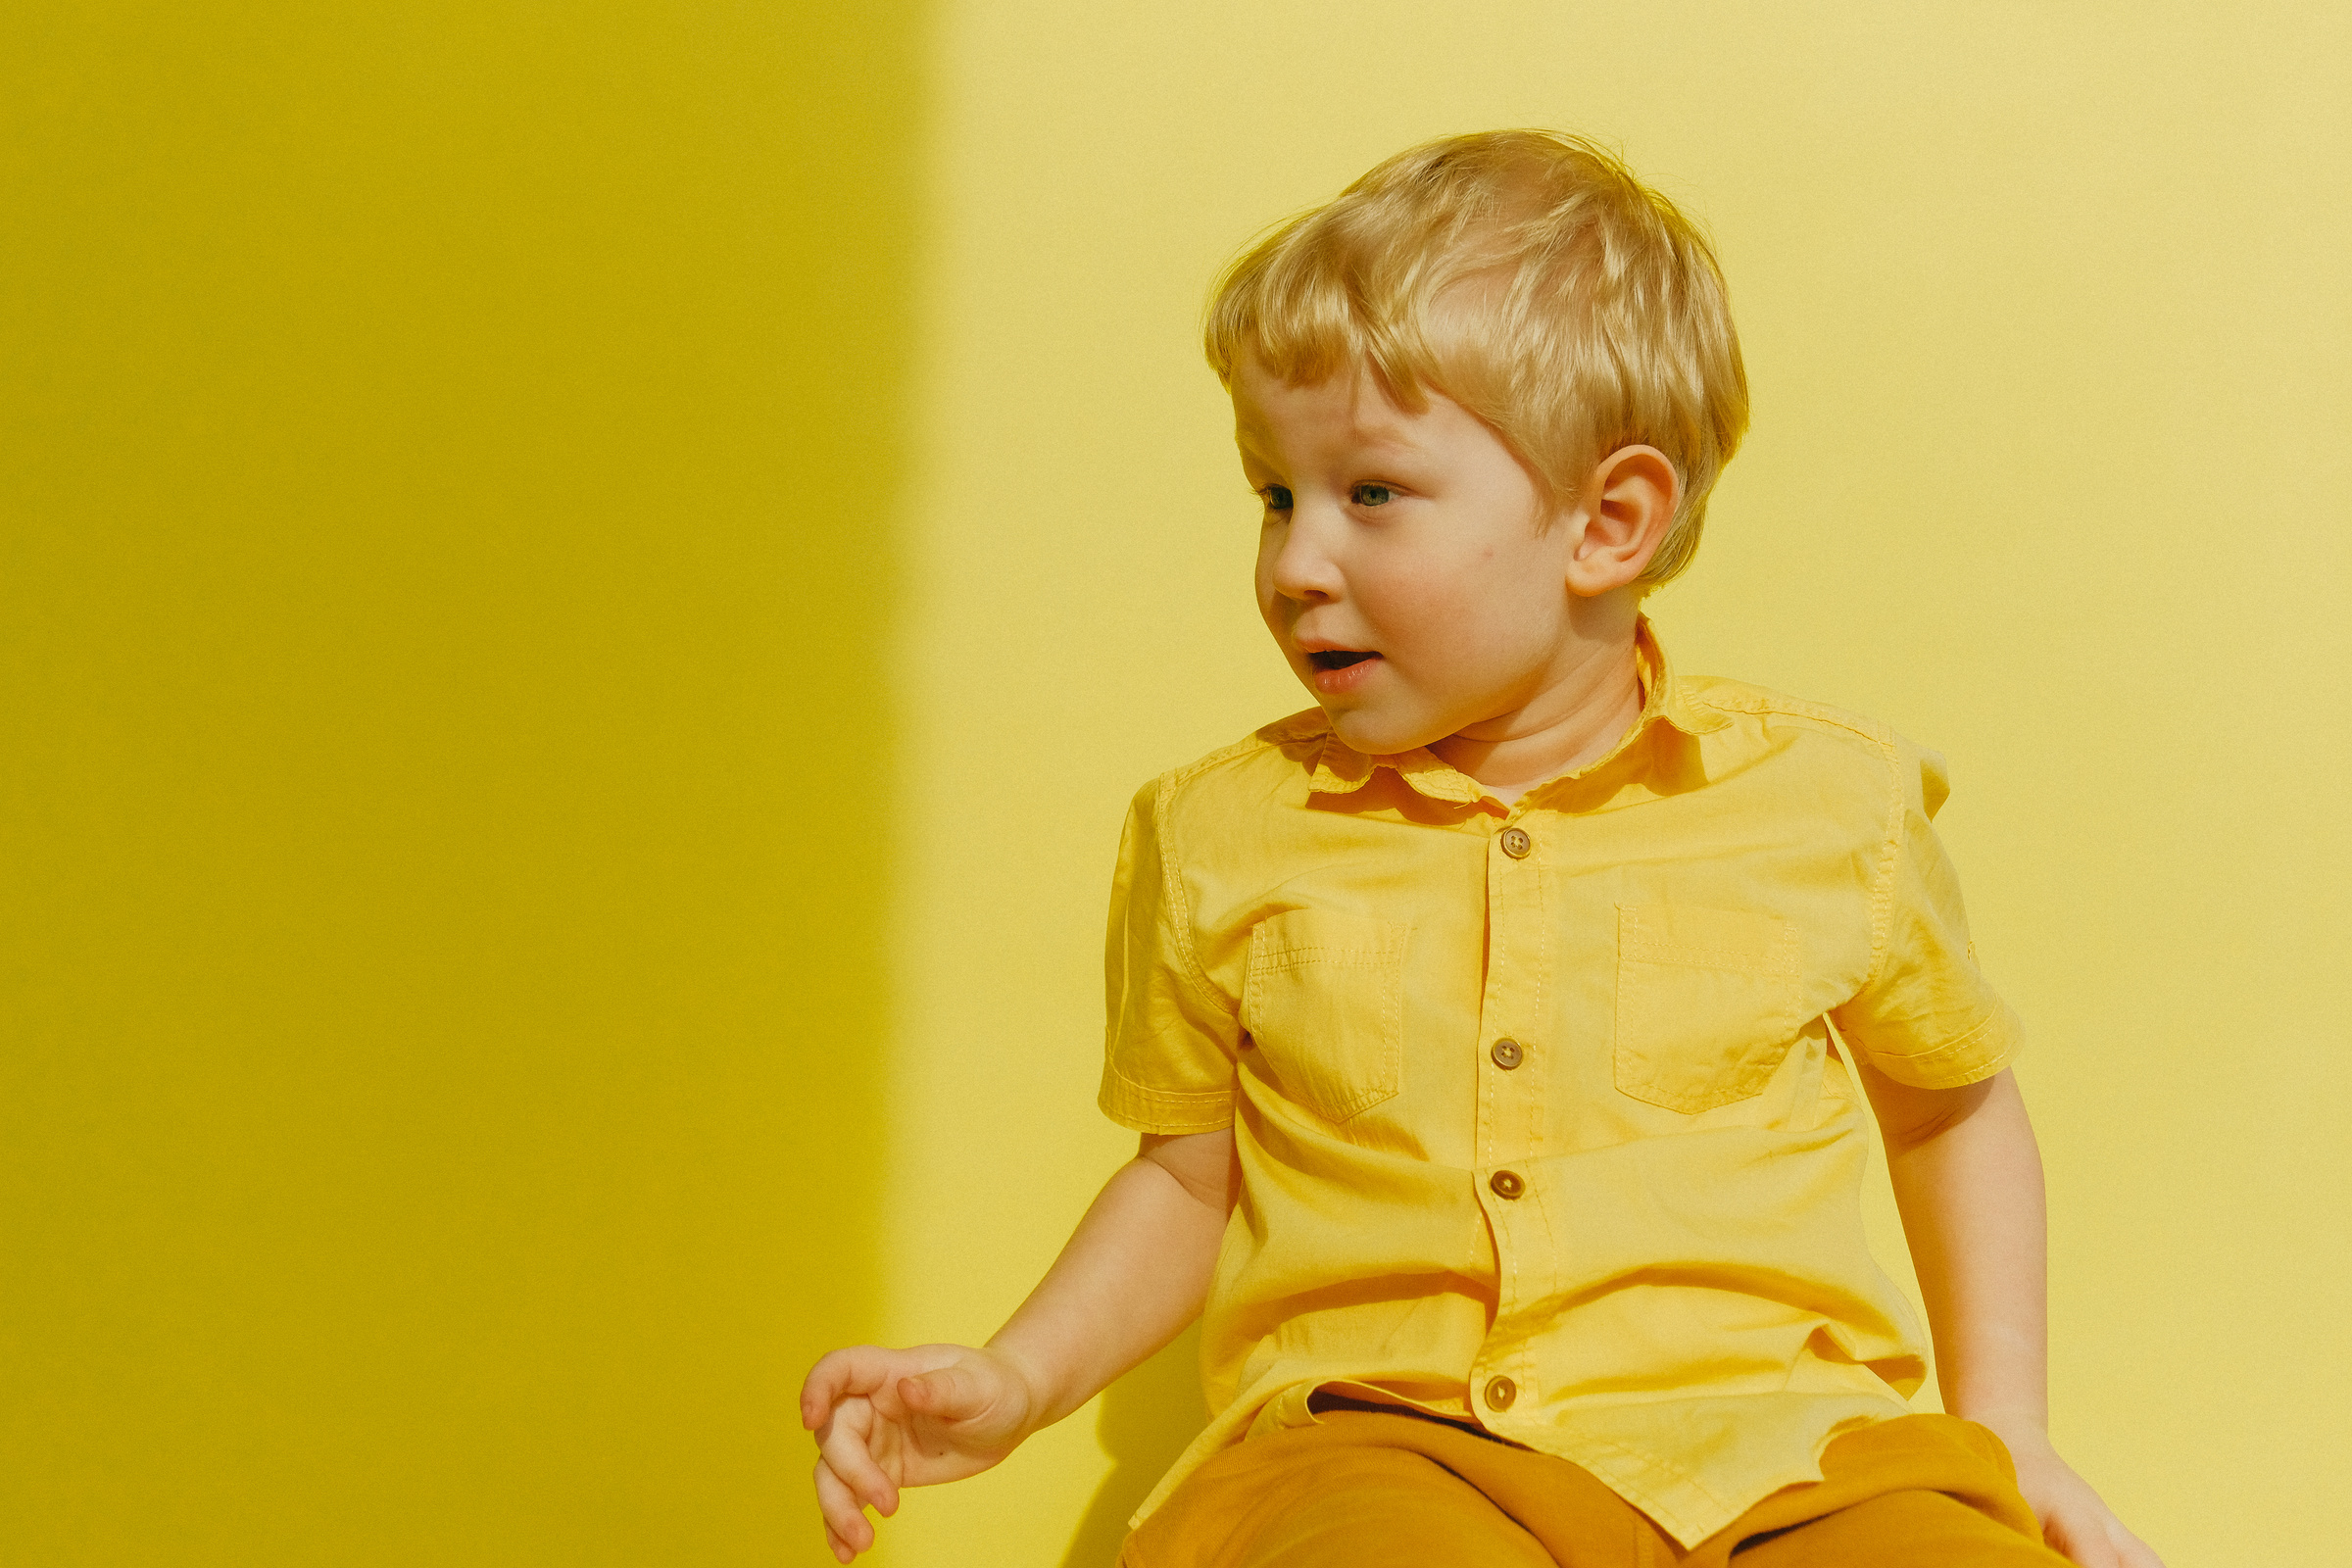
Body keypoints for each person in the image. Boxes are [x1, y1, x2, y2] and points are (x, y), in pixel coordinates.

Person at [801, 129, 2164, 1567]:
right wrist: (1018, 1382)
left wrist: (2007, 1430)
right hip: (1384, 1442)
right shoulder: (1216, 835)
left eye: (1369, 494)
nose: (1294, 562)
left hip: (1788, 1452)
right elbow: (1187, 1181)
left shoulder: (1831, 802)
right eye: (1273, 494)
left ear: (1607, 521)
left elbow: (1948, 1106)